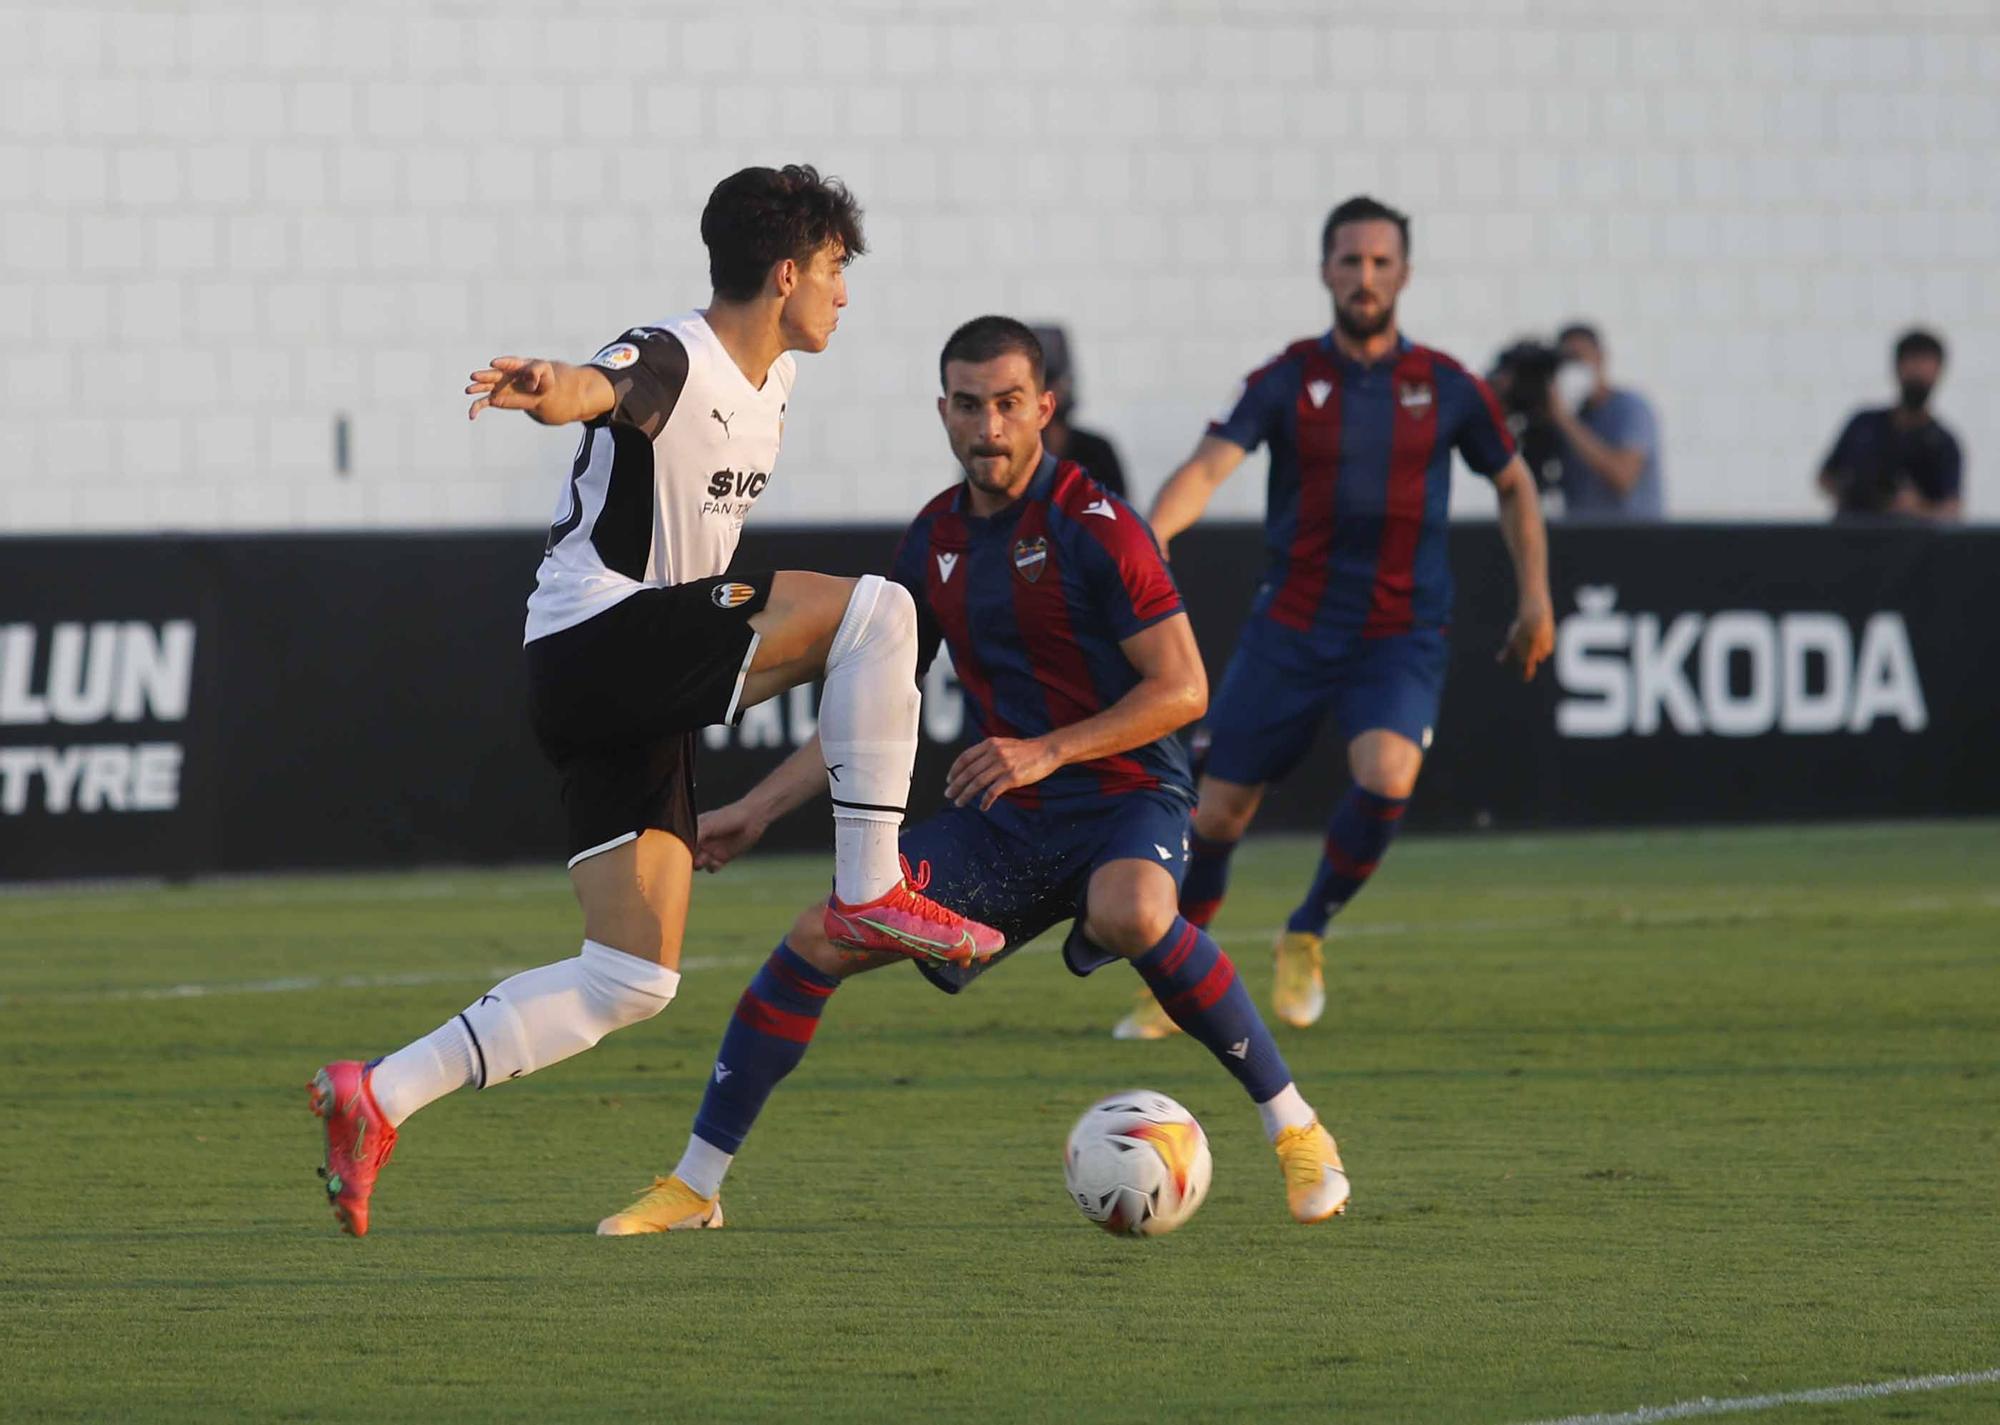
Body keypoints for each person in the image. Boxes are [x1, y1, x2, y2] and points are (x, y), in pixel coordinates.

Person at [306, 166, 1003, 1238]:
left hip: (601, 680)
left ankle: (378, 1096)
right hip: (602, 636)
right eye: (832, 270)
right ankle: (869, 884)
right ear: (784, 274)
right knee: (879, 614)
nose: (843, 294)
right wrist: (559, 387)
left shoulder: (773, 383)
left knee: (627, 978)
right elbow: (608, 383)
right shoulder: (678, 352)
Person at [593, 316, 1351, 1236]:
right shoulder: (935, 540)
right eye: (967, 405)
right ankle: (696, 1184)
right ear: (942, 411)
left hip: (1126, 800)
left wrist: (1048, 748)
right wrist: (756, 809)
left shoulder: (1100, 527)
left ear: (1045, 409)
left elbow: (1184, 686)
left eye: (1006, 405)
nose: (987, 425)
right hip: (1006, 824)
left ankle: (1297, 1129)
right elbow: (868, 698)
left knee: (1136, 912)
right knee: (818, 937)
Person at [1111, 195, 1554, 1042]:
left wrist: (1536, 595)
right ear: (1325, 271)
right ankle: (1180, 975)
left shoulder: (1447, 386)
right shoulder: (1285, 379)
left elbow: (1513, 483)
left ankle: (1306, 928)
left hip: (1400, 633)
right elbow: (1209, 467)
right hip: (1291, 630)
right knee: (1215, 817)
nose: (1365, 277)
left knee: (1388, 773)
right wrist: (1151, 538)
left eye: (1381, 263)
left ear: (1405, 276)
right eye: (1350, 261)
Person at [1817, 329, 1963, 522]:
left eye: (1924, 366)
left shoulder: (1943, 443)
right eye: (1912, 364)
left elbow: (1951, 511)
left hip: (1910, 546)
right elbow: (1825, 477)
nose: (1917, 374)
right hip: (1851, 536)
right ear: (1897, 367)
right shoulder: (1864, 425)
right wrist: (1854, 490)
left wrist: (1915, 508)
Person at [1548, 322, 1664, 521]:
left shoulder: (1630, 408)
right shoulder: (1569, 415)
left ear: (1600, 357)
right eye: (1565, 362)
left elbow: (1623, 476)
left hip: (1632, 540)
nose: (1572, 368)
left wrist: (1564, 419)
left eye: (1578, 358)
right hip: (1582, 540)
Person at [1031, 323, 1128, 497]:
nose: (1047, 396)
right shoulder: (1001, 455)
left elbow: (1118, 516)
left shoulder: (1097, 451)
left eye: (1051, 382)